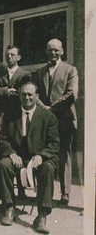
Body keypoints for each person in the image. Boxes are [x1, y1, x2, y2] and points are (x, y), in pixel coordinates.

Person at [0, 82, 59, 234]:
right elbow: (2, 139)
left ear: (37, 97)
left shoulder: (47, 116)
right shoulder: (11, 115)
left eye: (30, 94)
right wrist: (11, 153)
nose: (27, 98)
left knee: (48, 168)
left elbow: (55, 143)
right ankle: (9, 208)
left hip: (39, 156)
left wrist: (42, 155)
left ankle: (42, 215)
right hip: (17, 155)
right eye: (23, 94)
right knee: (3, 164)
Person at [32, 39, 78, 205]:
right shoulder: (39, 72)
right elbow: (34, 93)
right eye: (50, 50)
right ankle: (46, 192)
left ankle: (65, 192)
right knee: (44, 153)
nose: (53, 53)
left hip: (64, 119)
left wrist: (52, 108)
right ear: (46, 51)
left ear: (62, 51)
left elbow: (71, 94)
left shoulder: (70, 70)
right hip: (45, 119)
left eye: (56, 50)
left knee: (64, 153)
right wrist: (43, 107)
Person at [0, 45, 31, 113]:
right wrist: (7, 90)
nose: (9, 57)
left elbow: (19, 93)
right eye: (7, 55)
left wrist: (0, 90)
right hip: (1, 112)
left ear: (18, 57)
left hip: (16, 112)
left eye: (12, 54)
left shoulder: (25, 75)